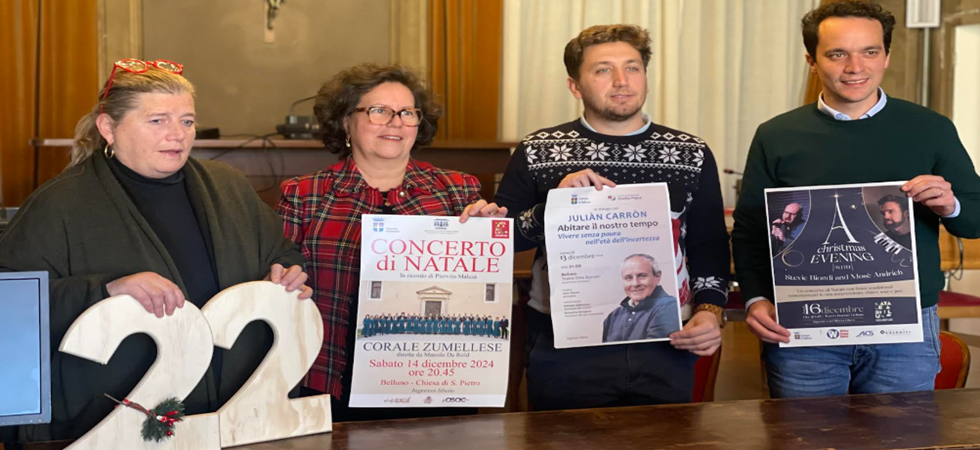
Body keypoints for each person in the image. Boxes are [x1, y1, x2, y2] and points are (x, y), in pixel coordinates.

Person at [0, 59, 311, 442]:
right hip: (111, 425)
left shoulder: (229, 187)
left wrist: (285, 273)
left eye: (187, 121)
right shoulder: (59, 203)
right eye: (157, 120)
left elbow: (280, 253)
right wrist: (107, 289)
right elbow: (10, 306)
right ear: (108, 127)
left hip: (232, 414)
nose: (177, 134)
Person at [732, 1, 980, 399]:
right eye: (837, 54)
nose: (855, 67)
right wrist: (756, 298)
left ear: (886, 56)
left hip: (904, 328)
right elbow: (751, 230)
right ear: (812, 61)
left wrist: (950, 205)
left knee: (902, 431)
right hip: (804, 327)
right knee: (805, 432)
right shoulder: (776, 135)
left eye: (869, 51)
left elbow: (975, 220)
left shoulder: (931, 128)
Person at [493, 24, 730, 411]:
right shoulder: (538, 150)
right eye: (603, 70)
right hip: (563, 342)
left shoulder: (691, 152)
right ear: (575, 86)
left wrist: (709, 312)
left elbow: (708, 244)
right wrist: (554, 205)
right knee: (564, 438)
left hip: (666, 340)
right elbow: (502, 239)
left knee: (664, 437)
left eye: (632, 68)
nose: (622, 80)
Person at [277, 63, 506, 421]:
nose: (396, 123)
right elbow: (279, 278)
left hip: (437, 379)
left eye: (407, 113)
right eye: (379, 111)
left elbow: (479, 288)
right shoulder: (304, 194)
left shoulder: (458, 190)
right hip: (332, 375)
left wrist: (485, 234)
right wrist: (284, 279)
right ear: (345, 121)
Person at [602, 254, 681, 343]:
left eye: (642, 276)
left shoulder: (669, 307)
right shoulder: (614, 315)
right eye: (628, 278)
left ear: (657, 276)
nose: (635, 283)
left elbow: (653, 349)